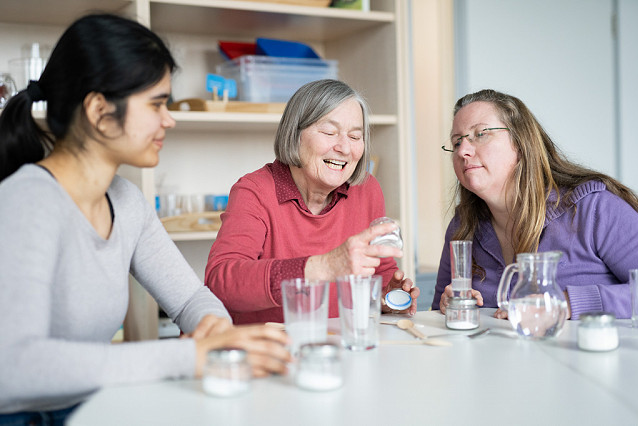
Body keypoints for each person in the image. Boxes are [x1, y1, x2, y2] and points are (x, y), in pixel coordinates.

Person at [0, 14, 290, 424]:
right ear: (100, 110)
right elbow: (12, 367)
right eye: (156, 104)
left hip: (93, 407)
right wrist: (186, 355)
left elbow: (191, 298)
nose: (168, 119)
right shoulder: (27, 201)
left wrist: (215, 330)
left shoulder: (126, 201)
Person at [205, 79, 418, 324]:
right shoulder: (254, 191)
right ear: (294, 134)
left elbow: (379, 268)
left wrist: (387, 294)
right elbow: (222, 282)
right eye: (329, 132)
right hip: (269, 348)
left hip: (337, 345)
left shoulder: (367, 189)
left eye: (355, 136)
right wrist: (325, 266)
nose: (344, 148)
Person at [432, 89, 638, 320]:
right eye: (457, 141)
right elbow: (437, 316)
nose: (463, 150)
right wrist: (447, 305)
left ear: (521, 144)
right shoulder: (462, 227)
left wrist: (567, 303)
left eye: (480, 134)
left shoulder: (594, 208)